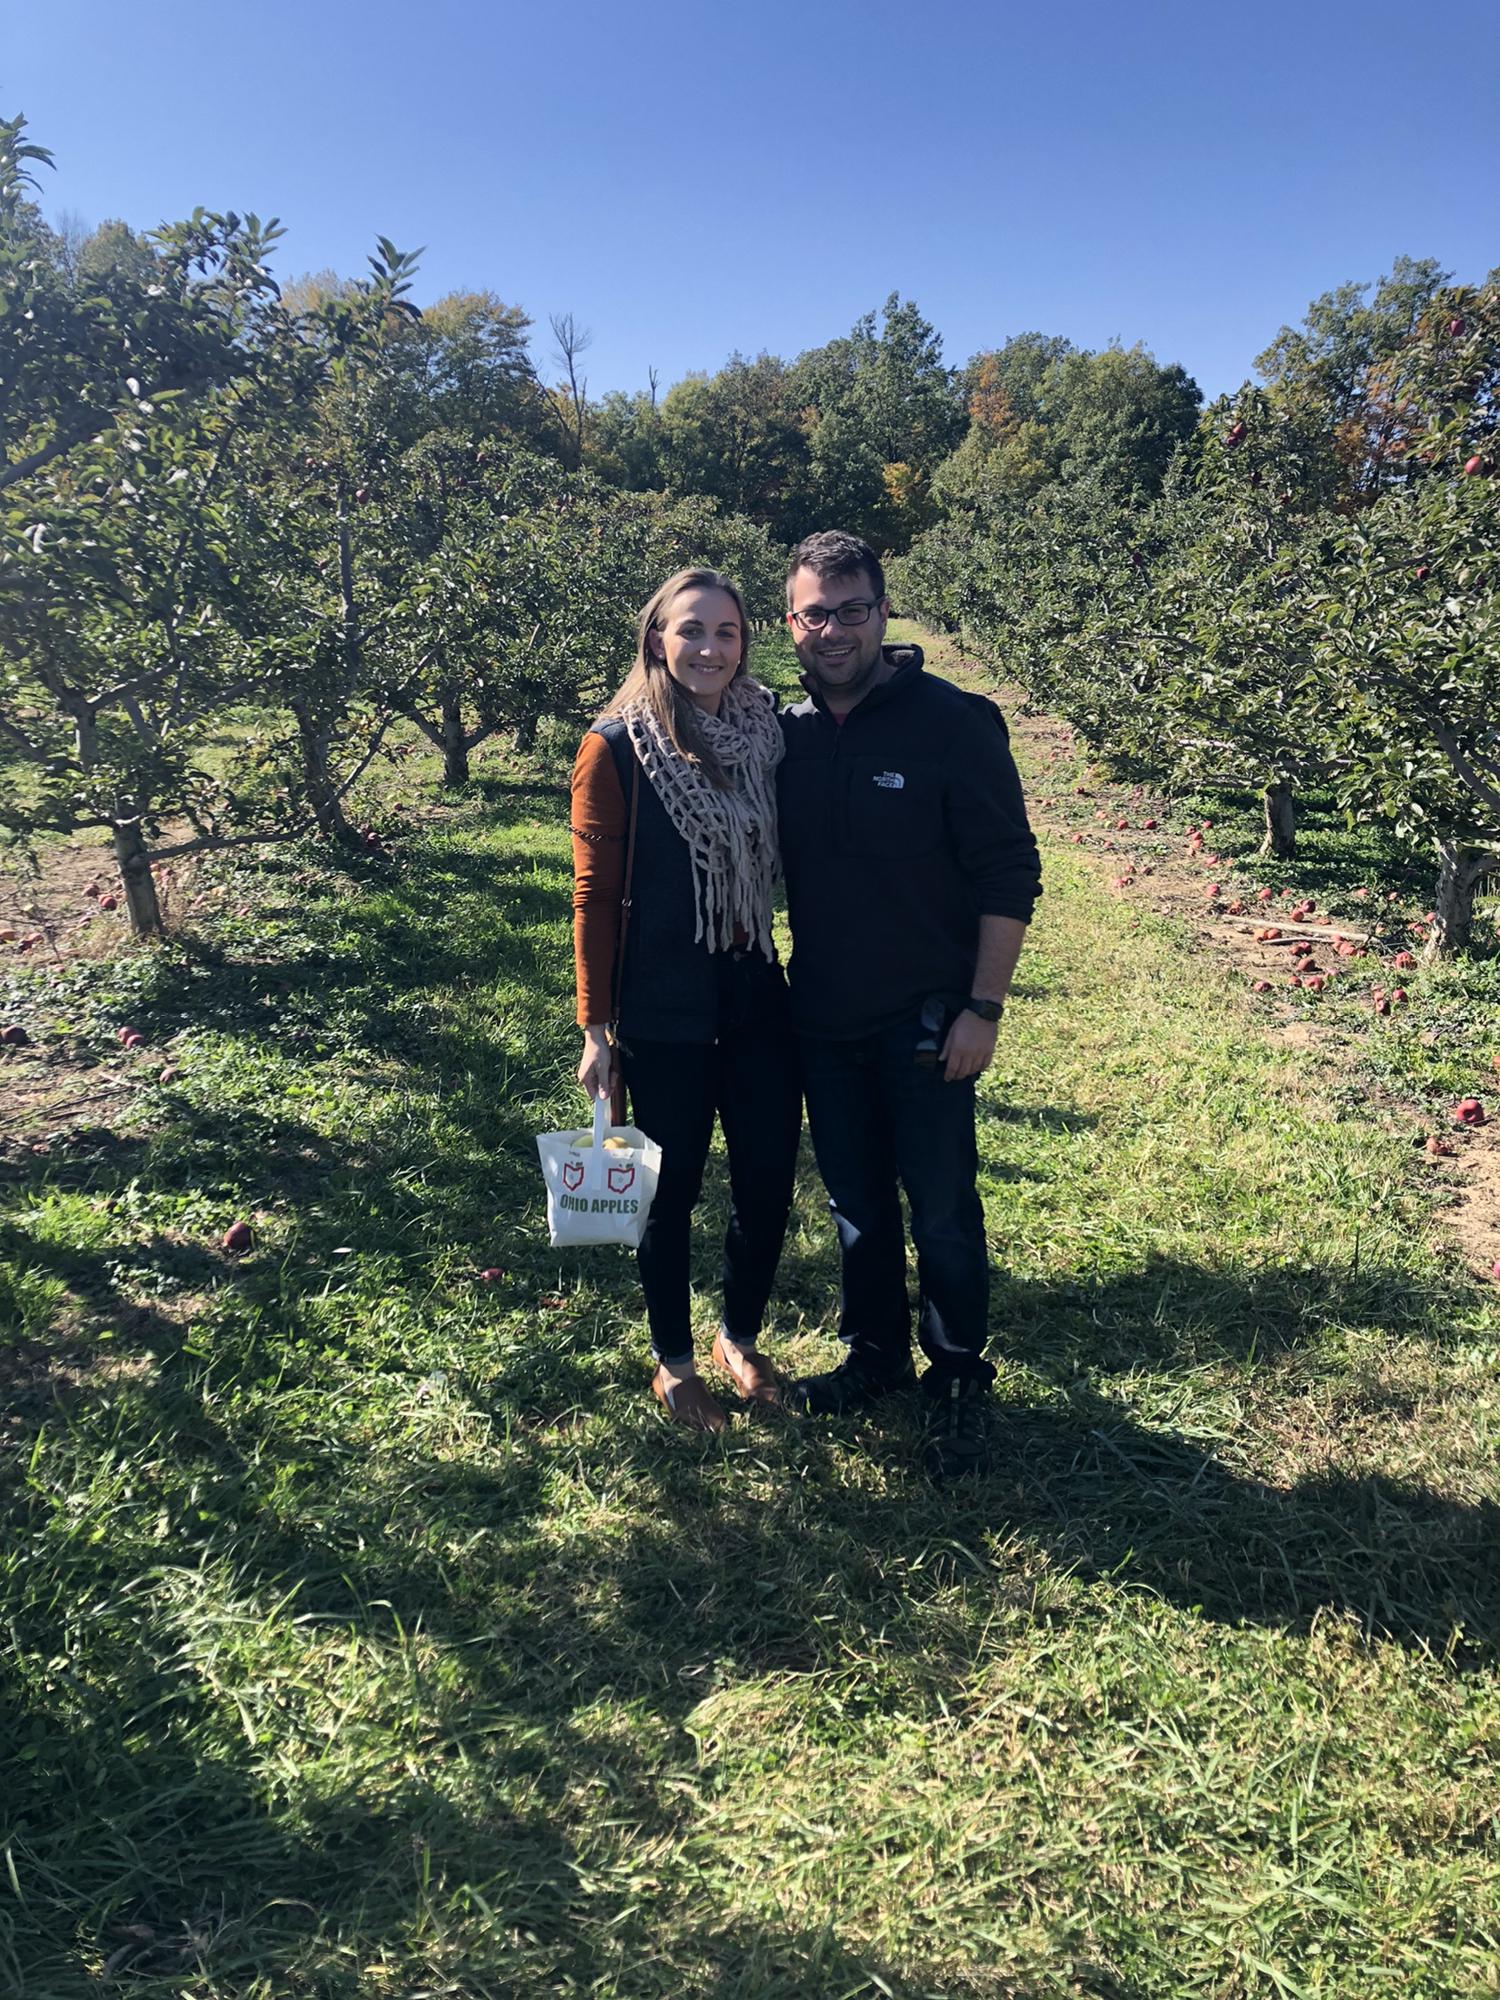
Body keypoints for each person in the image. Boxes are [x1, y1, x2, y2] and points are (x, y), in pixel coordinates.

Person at [776, 529, 1042, 1478]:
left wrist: (984, 1006)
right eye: (816, 612)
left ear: (885, 614)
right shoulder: (783, 735)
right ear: (792, 622)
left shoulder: (951, 722)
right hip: (824, 1016)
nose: (834, 629)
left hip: (929, 1020)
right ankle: (875, 1355)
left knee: (940, 1207)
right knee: (855, 1203)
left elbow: (1010, 871)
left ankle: (960, 1373)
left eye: (853, 609)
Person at [570, 567, 802, 1432]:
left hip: (752, 986)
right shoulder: (616, 746)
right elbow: (593, 895)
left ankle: (736, 1336)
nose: (710, 648)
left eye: (728, 632)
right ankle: (672, 1359)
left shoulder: (764, 733)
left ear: (747, 642)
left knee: (770, 1174)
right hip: (663, 1002)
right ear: (656, 640)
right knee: (671, 1190)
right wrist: (597, 1027)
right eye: (691, 630)